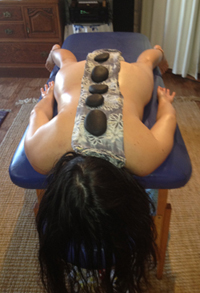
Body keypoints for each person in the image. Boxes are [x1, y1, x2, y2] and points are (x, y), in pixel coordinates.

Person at [24, 44, 176, 293]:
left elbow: (168, 118)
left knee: (146, 62)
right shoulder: (40, 152)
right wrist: (48, 98)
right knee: (142, 61)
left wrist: (166, 104)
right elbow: (37, 113)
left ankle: (55, 50)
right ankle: (56, 51)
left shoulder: (145, 154)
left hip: (104, 76)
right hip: (84, 75)